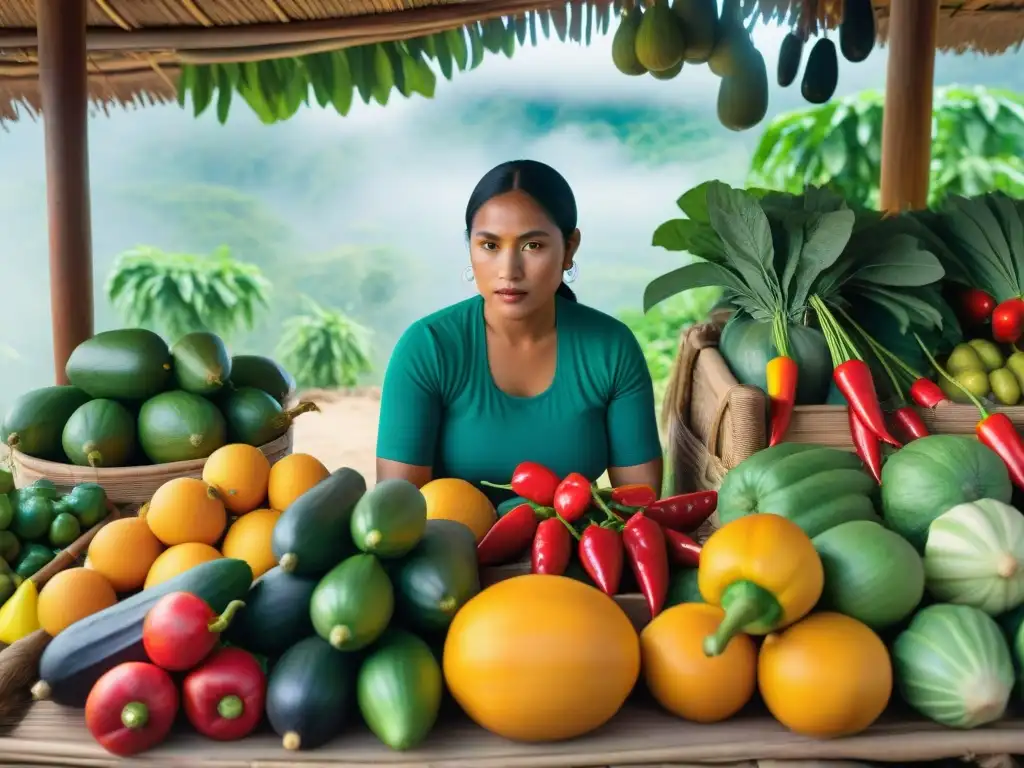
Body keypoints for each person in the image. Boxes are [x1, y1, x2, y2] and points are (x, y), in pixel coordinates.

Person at [375, 159, 663, 504]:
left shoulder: (611, 348)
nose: (509, 271)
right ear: (470, 246)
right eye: (490, 246)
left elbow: (639, 504)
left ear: (569, 248)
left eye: (533, 246)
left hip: (572, 551)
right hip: (451, 551)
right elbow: (398, 510)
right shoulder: (427, 347)